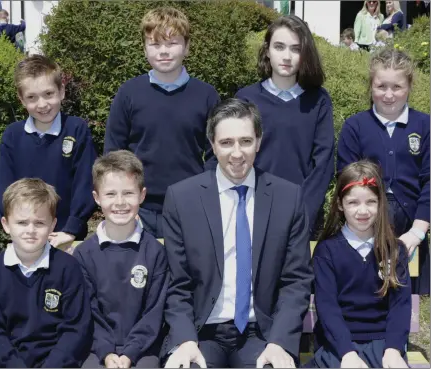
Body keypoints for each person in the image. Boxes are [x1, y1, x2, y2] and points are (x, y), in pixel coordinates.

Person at [161, 98, 313, 368]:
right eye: (226, 142)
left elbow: (296, 281)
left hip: (262, 333)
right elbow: (177, 283)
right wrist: (185, 340)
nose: (237, 153)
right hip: (201, 332)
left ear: (259, 141)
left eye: (245, 141)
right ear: (212, 144)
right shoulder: (182, 198)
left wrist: (279, 343)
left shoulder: (288, 197)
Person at [103, 7, 220, 239]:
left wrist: (200, 195)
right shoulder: (129, 93)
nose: (163, 52)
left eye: (172, 43)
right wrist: (124, 201)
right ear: (145, 49)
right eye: (155, 44)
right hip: (138, 209)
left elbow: (217, 154)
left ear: (186, 47)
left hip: (189, 207)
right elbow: (113, 154)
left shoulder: (206, 96)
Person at [337, 48, 429, 295]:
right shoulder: (355, 126)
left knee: (406, 306)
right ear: (371, 86)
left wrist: (416, 233)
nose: (389, 95)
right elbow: (347, 181)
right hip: (365, 225)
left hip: (411, 229)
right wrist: (366, 226)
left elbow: (429, 182)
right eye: (381, 86)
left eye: (397, 87)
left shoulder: (425, 125)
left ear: (409, 86)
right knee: (365, 295)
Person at [0, 178, 93, 368]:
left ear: (53, 225)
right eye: (22, 222)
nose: (30, 230)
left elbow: (76, 329)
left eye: (39, 223)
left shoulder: (68, 268)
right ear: (5, 224)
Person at [235, 15, 334, 239]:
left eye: (296, 49)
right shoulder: (246, 99)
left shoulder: (318, 101)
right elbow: (235, 157)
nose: (287, 57)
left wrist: (303, 215)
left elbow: (324, 163)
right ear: (267, 51)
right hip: (252, 211)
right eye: (279, 47)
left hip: (302, 216)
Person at [306, 160, 411, 368]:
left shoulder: (395, 250)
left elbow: (400, 306)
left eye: (371, 202)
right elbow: (327, 308)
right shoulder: (326, 252)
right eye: (353, 202)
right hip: (338, 345)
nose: (362, 211)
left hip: (384, 344)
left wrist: (393, 350)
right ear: (340, 204)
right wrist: (347, 353)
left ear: (380, 202)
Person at [73, 150, 169, 368]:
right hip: (96, 348)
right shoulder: (83, 255)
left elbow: (154, 313)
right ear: (97, 198)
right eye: (110, 194)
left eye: (128, 193)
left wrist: (130, 353)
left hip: (144, 348)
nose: (120, 202)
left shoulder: (155, 252)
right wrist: (106, 352)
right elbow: (88, 312)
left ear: (142, 195)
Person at [0, 55, 97, 248]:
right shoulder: (13, 136)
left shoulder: (76, 129)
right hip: (26, 238)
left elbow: (86, 181)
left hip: (66, 237)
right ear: (21, 99)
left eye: (48, 94)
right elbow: (3, 188)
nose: (42, 104)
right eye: (32, 97)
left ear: (62, 91)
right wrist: (17, 227)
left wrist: (72, 228)